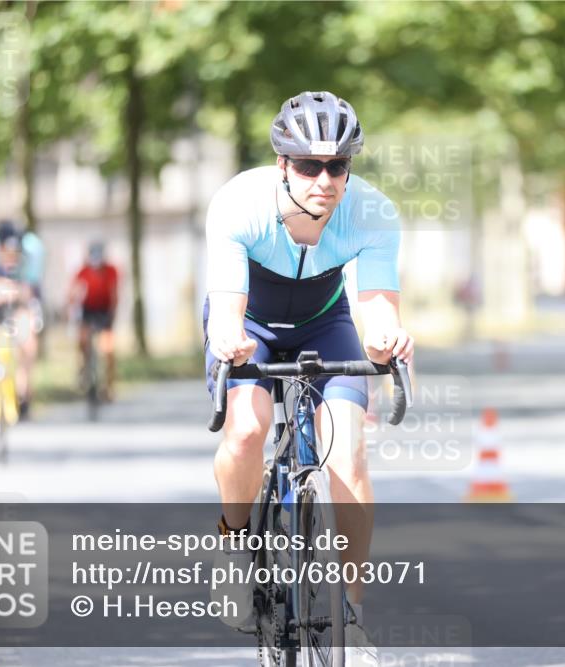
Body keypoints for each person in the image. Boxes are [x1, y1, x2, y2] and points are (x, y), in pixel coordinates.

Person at [204, 91, 412, 664]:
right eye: (308, 165)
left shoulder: (373, 212)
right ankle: (234, 546)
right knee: (246, 431)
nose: (324, 179)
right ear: (282, 165)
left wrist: (387, 337)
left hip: (326, 324)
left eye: (337, 166)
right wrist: (228, 337)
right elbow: (225, 310)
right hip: (250, 323)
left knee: (348, 454)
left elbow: (378, 306)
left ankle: (352, 615)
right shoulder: (237, 204)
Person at [0, 220, 45, 431]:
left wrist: (6, 290)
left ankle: (24, 393)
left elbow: (28, 292)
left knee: (28, 340)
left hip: (18, 304)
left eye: (15, 252)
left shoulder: (34, 252)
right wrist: (4, 290)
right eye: (6, 251)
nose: (11, 257)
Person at [69, 241, 119, 401]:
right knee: (83, 340)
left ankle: (109, 386)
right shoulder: (83, 270)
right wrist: (71, 308)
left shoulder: (111, 270)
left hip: (104, 311)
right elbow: (73, 291)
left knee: (108, 350)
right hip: (88, 310)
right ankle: (83, 369)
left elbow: (114, 293)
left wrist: (112, 314)